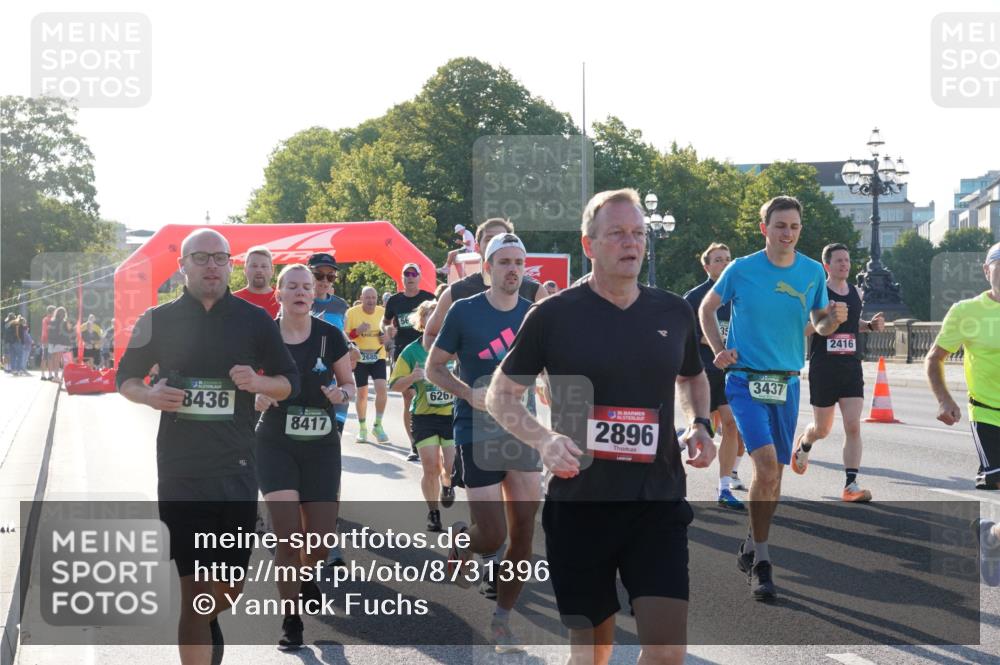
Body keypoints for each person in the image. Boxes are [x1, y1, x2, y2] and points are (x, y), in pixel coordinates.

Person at [487, 189, 716, 665]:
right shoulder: (553, 316)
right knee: (592, 654)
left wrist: (698, 423)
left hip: (657, 502)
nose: (630, 243)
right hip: (581, 504)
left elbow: (693, 374)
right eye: (616, 234)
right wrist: (544, 439)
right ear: (589, 245)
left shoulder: (672, 312)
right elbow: (499, 395)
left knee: (668, 652)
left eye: (638, 233)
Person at [116, 228, 299, 665]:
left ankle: (205, 619)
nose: (212, 266)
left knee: (227, 592)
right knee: (194, 592)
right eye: (201, 258)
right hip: (180, 471)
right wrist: (149, 395)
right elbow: (125, 378)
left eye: (220, 258)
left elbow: (287, 383)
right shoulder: (157, 320)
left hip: (235, 470)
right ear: (183, 266)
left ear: (230, 264)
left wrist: (258, 383)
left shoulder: (255, 320)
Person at [699, 195, 844, 601]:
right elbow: (707, 308)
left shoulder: (813, 272)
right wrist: (718, 349)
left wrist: (829, 320)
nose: (788, 233)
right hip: (745, 380)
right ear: (765, 229)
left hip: (787, 381)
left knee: (774, 475)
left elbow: (816, 324)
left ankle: (751, 541)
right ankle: (762, 562)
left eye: (795, 227)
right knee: (763, 464)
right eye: (780, 225)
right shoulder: (741, 269)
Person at [426, 232, 541, 653]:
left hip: (521, 429)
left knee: (525, 533)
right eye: (504, 262)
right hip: (476, 428)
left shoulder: (534, 315)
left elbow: (546, 364)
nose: (513, 269)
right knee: (491, 536)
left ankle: (502, 622)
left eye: (518, 262)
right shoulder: (463, 311)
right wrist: (466, 392)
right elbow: (434, 368)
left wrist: (546, 382)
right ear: (488, 268)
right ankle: (463, 541)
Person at [253, 264, 355, 650]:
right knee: (286, 538)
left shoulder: (330, 336)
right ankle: (291, 619)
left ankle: (307, 572)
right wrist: (256, 394)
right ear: (278, 293)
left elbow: (349, 383)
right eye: (291, 286)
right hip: (275, 441)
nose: (299, 292)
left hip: (321, 444)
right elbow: (242, 379)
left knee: (321, 540)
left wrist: (341, 395)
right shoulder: (263, 336)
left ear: (315, 294)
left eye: (306, 287)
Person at [793, 243, 885, 501]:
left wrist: (869, 325)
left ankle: (851, 484)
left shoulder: (856, 291)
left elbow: (852, 323)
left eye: (847, 260)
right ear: (827, 266)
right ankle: (804, 444)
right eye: (839, 261)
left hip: (851, 367)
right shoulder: (818, 293)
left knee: (853, 425)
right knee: (822, 429)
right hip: (824, 368)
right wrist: (829, 319)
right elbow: (802, 328)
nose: (845, 264)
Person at [926, 241, 1000, 490]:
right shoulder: (966, 311)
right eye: (999, 267)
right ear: (986, 271)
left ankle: (990, 530)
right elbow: (935, 357)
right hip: (987, 410)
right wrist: (944, 399)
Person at [684, 242, 745, 511]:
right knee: (701, 429)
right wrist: (713, 342)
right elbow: (684, 337)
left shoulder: (739, 295)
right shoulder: (694, 297)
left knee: (731, 426)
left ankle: (723, 488)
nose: (724, 263)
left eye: (728, 258)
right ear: (706, 266)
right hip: (702, 373)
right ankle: (675, 452)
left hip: (730, 373)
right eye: (718, 260)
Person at [389, 299, 456, 532]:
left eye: (438, 314)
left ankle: (448, 485)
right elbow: (394, 385)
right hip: (424, 417)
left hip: (451, 416)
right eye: (429, 315)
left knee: (450, 467)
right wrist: (413, 377)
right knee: (430, 467)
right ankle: (433, 513)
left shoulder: (453, 348)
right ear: (422, 321)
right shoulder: (411, 351)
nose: (434, 319)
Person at [383, 263, 436, 461]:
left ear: (419, 277)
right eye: (407, 274)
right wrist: (388, 331)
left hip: (428, 351)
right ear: (402, 278)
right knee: (410, 396)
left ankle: (434, 436)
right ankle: (415, 444)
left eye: (414, 274)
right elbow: (385, 321)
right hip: (405, 354)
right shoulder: (395, 301)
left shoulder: (428, 298)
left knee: (429, 395)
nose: (410, 277)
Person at [346, 286, 389, 443]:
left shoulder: (382, 312)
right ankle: (362, 428)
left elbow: (390, 332)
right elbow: (345, 336)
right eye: (368, 297)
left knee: (382, 389)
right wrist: (357, 331)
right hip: (360, 357)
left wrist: (386, 338)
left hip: (378, 355)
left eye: (373, 298)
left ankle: (378, 425)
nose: (371, 301)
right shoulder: (352, 313)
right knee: (362, 393)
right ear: (361, 298)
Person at [233, 245, 280, 319]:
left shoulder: (282, 299)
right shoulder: (233, 301)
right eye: (254, 266)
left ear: (272, 270)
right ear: (245, 270)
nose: (259, 270)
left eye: (264, 266)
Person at [47, 306, 73, 384]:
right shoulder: (64, 322)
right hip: (63, 343)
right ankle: (63, 377)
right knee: (64, 361)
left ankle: (55, 376)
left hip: (53, 343)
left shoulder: (52, 321)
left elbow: (49, 332)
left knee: (56, 360)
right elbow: (69, 332)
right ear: (64, 314)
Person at [39, 305, 55, 380]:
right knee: (46, 357)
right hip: (47, 340)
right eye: (54, 312)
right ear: (51, 312)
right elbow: (46, 330)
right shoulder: (47, 319)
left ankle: (49, 374)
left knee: (48, 357)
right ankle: (44, 375)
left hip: (48, 340)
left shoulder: (48, 319)